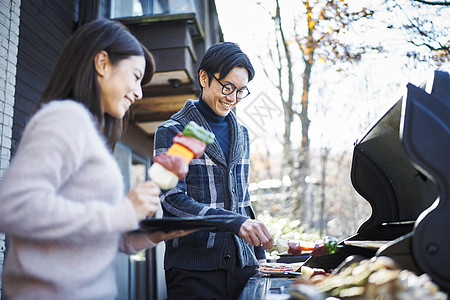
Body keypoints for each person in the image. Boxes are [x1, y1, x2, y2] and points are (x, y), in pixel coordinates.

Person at [0, 19, 190, 300]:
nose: (139, 93)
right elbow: (14, 207)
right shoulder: (65, 117)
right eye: (136, 76)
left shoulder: (90, 132)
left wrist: (146, 235)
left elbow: (86, 236)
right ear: (102, 63)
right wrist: (120, 213)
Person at [154, 42, 274, 300]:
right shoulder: (175, 131)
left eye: (240, 91)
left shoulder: (241, 134)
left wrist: (260, 255)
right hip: (194, 273)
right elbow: (172, 199)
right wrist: (232, 222)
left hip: (244, 267)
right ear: (204, 78)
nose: (232, 98)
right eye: (227, 87)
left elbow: (242, 200)